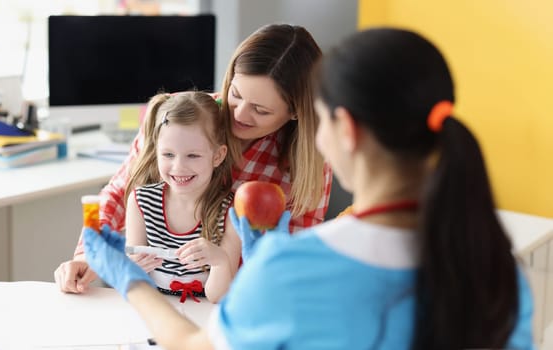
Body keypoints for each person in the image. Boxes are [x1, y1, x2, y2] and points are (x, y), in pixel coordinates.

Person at [82, 28, 535, 349]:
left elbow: (196, 346)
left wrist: (130, 280)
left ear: (345, 130)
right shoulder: (498, 269)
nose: (240, 112)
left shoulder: (294, 263)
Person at [55, 23, 333, 294]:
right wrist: (87, 254)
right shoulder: (178, 116)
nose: (239, 114)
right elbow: (118, 193)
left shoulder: (309, 164)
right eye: (235, 94)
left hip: (240, 301)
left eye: (260, 110)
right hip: (157, 295)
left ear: (296, 112)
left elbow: (294, 258)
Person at [122, 91, 241, 303]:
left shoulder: (231, 211)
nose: (179, 167)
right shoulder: (141, 202)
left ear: (218, 156)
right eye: (168, 155)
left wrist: (220, 261)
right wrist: (131, 270)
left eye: (193, 155)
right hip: (159, 312)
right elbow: (133, 285)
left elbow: (218, 297)